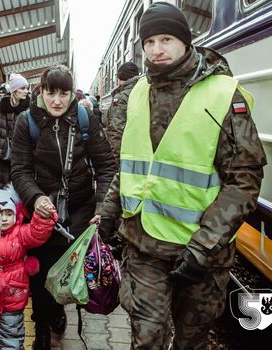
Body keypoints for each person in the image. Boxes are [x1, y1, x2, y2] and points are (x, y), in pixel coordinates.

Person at [97, 2, 267, 350]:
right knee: (147, 339)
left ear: (185, 41)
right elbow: (132, 165)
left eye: (166, 39)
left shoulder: (222, 94)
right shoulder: (137, 94)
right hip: (143, 246)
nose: (157, 50)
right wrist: (107, 216)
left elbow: (244, 180)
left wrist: (204, 245)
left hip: (201, 253)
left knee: (192, 340)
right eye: (149, 42)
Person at [10, 65, 117, 350]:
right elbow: (19, 170)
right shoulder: (26, 122)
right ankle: (42, 328)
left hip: (81, 212)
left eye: (63, 93)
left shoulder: (85, 118)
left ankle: (58, 311)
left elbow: (106, 165)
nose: (56, 100)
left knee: (70, 273)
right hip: (43, 217)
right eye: (50, 92)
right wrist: (35, 198)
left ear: (71, 93)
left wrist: (102, 207)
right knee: (40, 276)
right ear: (41, 92)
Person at [0, 188, 57, 350]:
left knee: (11, 336)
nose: (4, 219)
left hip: (13, 296)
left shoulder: (20, 233)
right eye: (0, 213)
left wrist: (43, 217)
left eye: (8, 213)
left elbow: (37, 233)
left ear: (16, 214)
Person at [0, 74, 30, 189]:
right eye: (23, 88)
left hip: (23, 155)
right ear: (14, 90)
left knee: (20, 187)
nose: (26, 91)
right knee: (2, 187)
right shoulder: (0, 106)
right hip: (3, 155)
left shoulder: (29, 108)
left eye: (27, 88)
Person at [105, 61, 139, 165]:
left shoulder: (121, 98)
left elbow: (116, 130)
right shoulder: (144, 91)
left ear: (120, 79)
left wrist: (114, 161)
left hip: (125, 155)